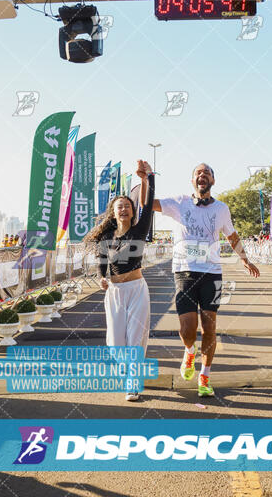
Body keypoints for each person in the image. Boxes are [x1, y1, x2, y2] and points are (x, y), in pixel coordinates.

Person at [141, 162, 260, 398]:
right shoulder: (179, 202)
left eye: (207, 173)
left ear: (213, 181)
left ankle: (204, 375)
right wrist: (147, 179)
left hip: (213, 273)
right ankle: (188, 350)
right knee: (187, 328)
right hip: (184, 271)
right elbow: (147, 203)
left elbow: (232, 235)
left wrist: (245, 259)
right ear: (192, 180)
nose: (202, 175)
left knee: (210, 327)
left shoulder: (222, 209)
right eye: (198, 172)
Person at [84, 160, 154, 402]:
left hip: (137, 289)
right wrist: (102, 278)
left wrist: (147, 178)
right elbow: (101, 264)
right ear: (113, 213)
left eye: (127, 206)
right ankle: (128, 369)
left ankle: (133, 383)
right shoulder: (106, 236)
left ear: (132, 211)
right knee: (115, 343)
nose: (123, 209)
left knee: (136, 337)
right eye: (119, 207)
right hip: (115, 292)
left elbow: (148, 203)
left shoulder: (139, 231)